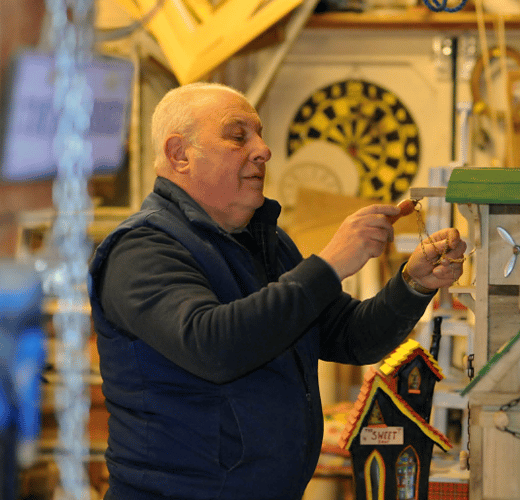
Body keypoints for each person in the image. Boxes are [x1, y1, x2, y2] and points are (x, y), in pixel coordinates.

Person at [88, 82, 466, 500]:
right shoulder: (142, 248)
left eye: (260, 134)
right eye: (238, 136)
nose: (263, 149)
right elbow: (213, 346)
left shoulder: (266, 242)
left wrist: (413, 284)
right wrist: (331, 263)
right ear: (179, 154)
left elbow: (352, 338)